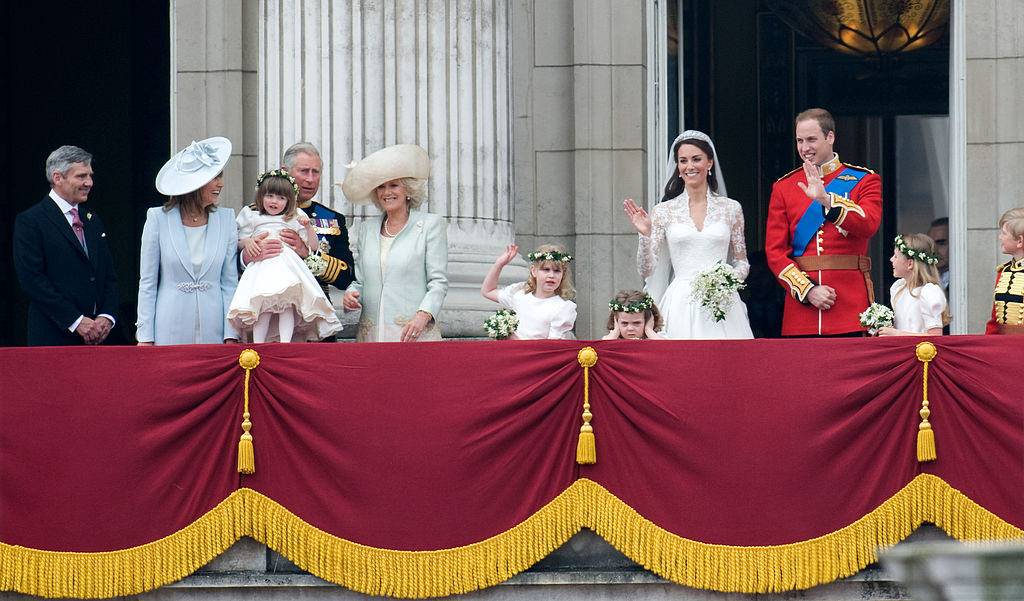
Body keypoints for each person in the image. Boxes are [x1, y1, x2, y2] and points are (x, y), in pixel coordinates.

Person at [623, 130, 753, 339]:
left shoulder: (731, 208)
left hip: (721, 303)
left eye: (696, 159)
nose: (689, 166)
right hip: (681, 303)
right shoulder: (664, 211)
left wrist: (724, 281)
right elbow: (647, 270)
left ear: (710, 162)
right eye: (683, 161)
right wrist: (645, 236)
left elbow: (742, 262)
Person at [765, 108, 882, 336]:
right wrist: (807, 290)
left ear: (830, 137)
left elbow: (869, 225)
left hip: (849, 307)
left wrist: (826, 200)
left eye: (811, 139)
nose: (804, 148)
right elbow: (775, 253)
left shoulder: (864, 181)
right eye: (799, 140)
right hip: (802, 312)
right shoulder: (783, 187)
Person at [136, 137, 239, 345]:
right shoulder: (158, 219)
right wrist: (145, 337)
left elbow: (230, 283)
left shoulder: (226, 219)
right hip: (169, 328)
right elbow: (147, 282)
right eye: (214, 177)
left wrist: (231, 334)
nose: (221, 184)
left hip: (215, 330)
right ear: (196, 183)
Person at [340, 144, 448, 342]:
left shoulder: (430, 225)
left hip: (413, 333)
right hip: (372, 335)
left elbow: (438, 283)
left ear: (407, 189)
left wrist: (423, 316)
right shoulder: (367, 229)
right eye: (381, 186)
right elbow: (360, 281)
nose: (386, 192)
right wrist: (351, 294)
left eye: (393, 185)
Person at [13, 145, 119, 346]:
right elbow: (32, 279)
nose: (89, 182)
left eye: (90, 176)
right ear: (57, 178)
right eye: (81, 176)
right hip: (53, 336)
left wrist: (107, 316)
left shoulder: (93, 221)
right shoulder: (31, 221)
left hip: (96, 338)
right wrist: (76, 321)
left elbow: (108, 275)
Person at [227, 169, 342, 342]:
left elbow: (313, 247)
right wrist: (248, 243)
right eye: (270, 196)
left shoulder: (295, 217)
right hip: (261, 269)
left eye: (281, 198)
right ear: (261, 195)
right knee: (262, 306)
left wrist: (309, 228)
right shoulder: (251, 215)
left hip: (288, 268)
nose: (274, 202)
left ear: (289, 201)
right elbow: (237, 242)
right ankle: (258, 343)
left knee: (287, 306)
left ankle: (286, 343)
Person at [241, 143, 356, 301]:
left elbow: (347, 276)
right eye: (304, 171)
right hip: (263, 304)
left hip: (313, 310)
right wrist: (247, 257)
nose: (310, 179)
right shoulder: (254, 214)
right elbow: (227, 265)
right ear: (284, 172)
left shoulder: (332, 219)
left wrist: (307, 254)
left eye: (315, 172)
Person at [481, 243, 577, 340]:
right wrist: (499, 264)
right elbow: (488, 291)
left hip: (537, 354)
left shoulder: (561, 307)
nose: (551, 275)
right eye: (546, 270)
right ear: (534, 271)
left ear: (563, 274)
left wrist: (515, 339)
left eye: (557, 271)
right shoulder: (519, 295)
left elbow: (552, 347)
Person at [877, 234, 949, 337]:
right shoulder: (899, 289)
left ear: (910, 264)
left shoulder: (928, 292)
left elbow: (935, 336)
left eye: (896, 256)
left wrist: (897, 334)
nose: (891, 259)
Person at [985, 207, 1024, 335]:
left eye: (1004, 233)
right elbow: (994, 320)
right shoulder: (1004, 272)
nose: (1000, 237)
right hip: (1004, 345)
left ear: (1019, 241)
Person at [927, 217, 949, 289]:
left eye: (941, 243)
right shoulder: (924, 281)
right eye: (930, 244)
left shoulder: (965, 279)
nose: (934, 250)